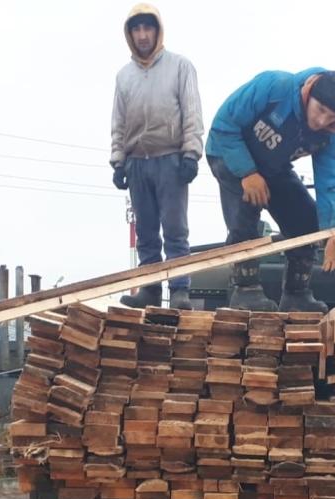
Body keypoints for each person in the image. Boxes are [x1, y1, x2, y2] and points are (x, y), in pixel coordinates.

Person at [205, 68, 335, 312]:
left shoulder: (328, 135)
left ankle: (296, 294)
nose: (321, 121)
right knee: (247, 209)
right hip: (228, 153)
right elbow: (224, 124)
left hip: (273, 167)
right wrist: (247, 172)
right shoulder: (274, 87)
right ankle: (245, 290)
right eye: (320, 110)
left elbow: (330, 184)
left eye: (331, 118)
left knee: (306, 219)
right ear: (308, 92)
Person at [110, 3, 204, 310]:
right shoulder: (124, 77)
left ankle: (179, 290)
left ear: (157, 30)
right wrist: (118, 161)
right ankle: (149, 288)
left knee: (175, 229)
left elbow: (192, 112)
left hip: (171, 158)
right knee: (146, 232)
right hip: (138, 161)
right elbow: (119, 122)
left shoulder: (180, 66)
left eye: (147, 28)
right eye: (136, 29)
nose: (142, 35)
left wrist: (191, 153)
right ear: (130, 34)